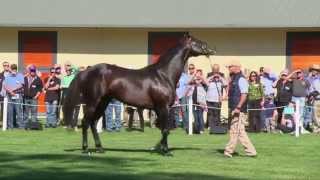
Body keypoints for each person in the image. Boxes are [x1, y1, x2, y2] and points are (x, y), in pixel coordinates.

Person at [224, 60, 257, 158]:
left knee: (235, 131)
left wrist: (238, 107)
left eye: (230, 67)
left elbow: (244, 94)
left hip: (239, 110)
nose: (228, 69)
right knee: (239, 131)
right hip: (234, 108)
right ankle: (251, 151)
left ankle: (228, 151)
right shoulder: (234, 78)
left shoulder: (241, 79)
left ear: (236, 67)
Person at [3, 64, 24, 129]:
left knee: (18, 111)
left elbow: (21, 85)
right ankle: (10, 126)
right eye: (12, 69)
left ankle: (20, 126)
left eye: (15, 69)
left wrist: (13, 90)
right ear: (11, 70)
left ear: (16, 69)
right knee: (10, 111)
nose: (13, 71)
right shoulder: (7, 76)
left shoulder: (20, 75)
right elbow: (5, 86)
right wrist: (10, 91)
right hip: (9, 95)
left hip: (18, 94)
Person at [191, 69, 207, 134]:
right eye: (197, 74)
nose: (197, 75)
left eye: (199, 74)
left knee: (200, 115)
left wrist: (201, 78)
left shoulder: (202, 82)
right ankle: (196, 129)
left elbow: (206, 83)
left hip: (201, 101)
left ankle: (201, 129)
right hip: (193, 101)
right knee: (195, 115)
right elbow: (189, 82)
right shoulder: (194, 81)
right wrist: (194, 76)